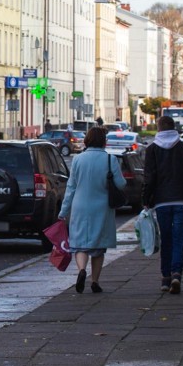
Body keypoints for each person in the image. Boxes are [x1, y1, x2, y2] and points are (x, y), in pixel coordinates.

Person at [58, 126, 126, 294]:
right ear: (104, 141)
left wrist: (63, 212)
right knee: (99, 246)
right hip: (102, 207)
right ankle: (95, 281)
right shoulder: (110, 160)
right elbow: (121, 184)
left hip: (80, 206)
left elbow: (71, 188)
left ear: (87, 140)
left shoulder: (78, 160)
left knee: (80, 244)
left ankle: (82, 270)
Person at [142, 115, 183, 295]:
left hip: (162, 202)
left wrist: (146, 200)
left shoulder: (152, 149)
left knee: (166, 239)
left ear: (159, 128)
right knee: (179, 239)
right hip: (182, 201)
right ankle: (176, 274)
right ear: (174, 128)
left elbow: (149, 178)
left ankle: (165, 278)